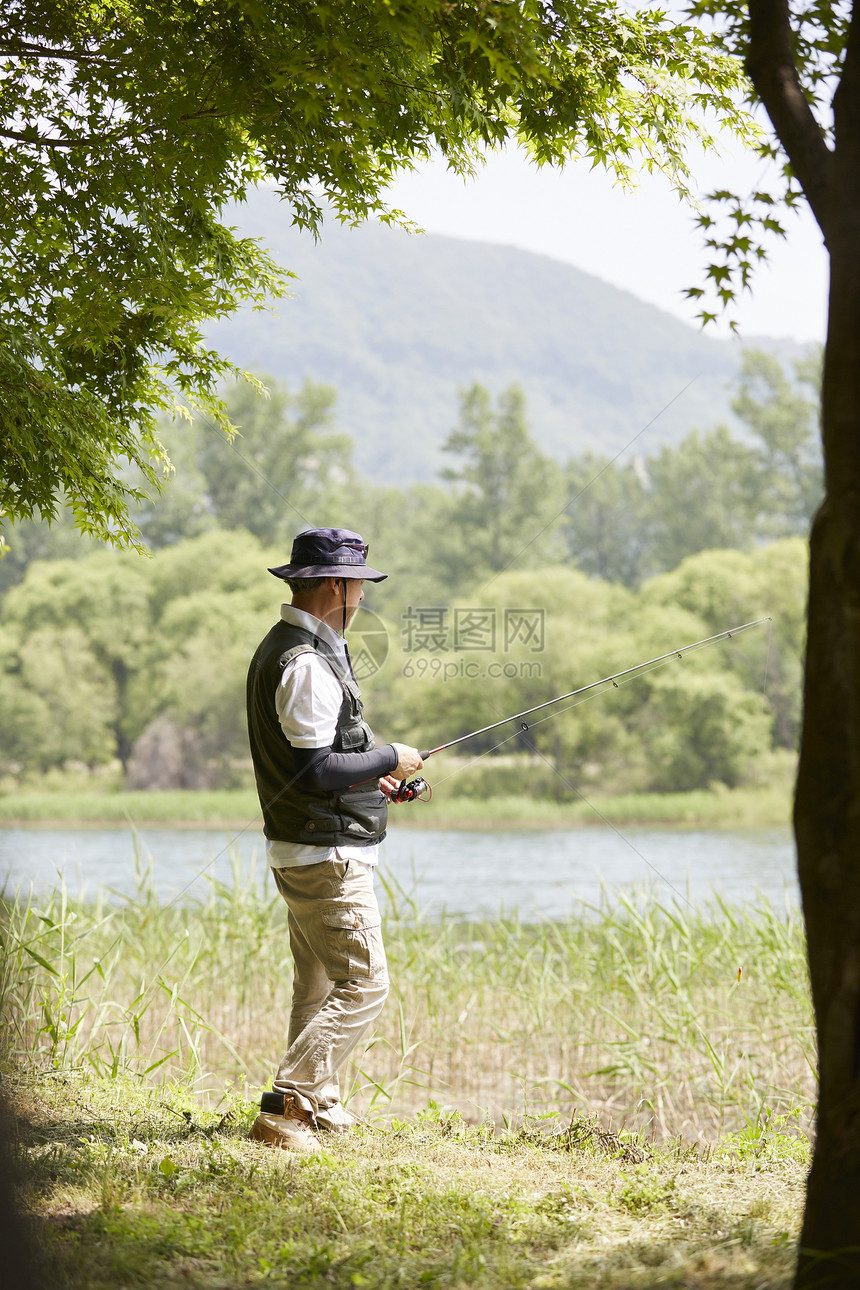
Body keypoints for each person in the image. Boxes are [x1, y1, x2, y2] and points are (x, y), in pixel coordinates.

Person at [245, 527, 423, 1152]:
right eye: (359, 588)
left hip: (306, 849)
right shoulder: (305, 664)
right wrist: (389, 757)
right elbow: (314, 770)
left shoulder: (293, 650)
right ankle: (287, 1103)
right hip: (326, 858)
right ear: (331, 587)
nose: (362, 600)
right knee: (365, 982)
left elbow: (324, 764)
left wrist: (380, 778)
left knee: (317, 984)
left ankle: (316, 1101)